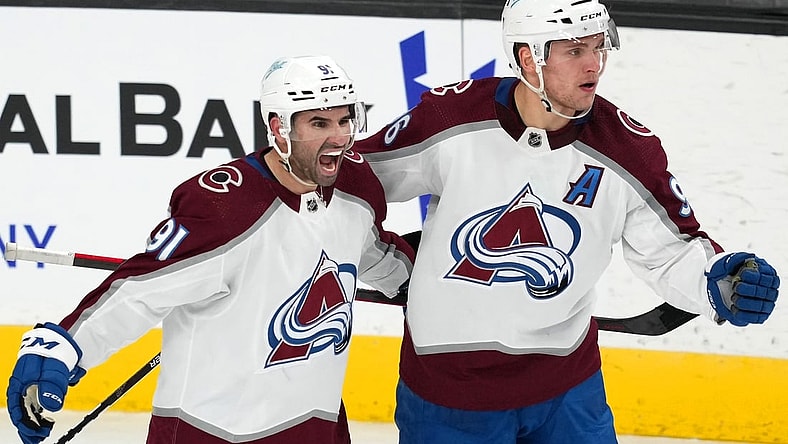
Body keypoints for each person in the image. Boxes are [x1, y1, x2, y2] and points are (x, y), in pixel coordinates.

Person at [353, 0, 781, 443]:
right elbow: (351, 186)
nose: (594, 64)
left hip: (568, 390)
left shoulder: (625, 148)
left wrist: (720, 281)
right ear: (528, 59)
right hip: (449, 391)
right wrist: (382, 265)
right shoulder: (451, 119)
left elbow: (671, 252)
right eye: (575, 51)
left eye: (598, 47)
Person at [6, 55, 415, 444]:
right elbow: (140, 291)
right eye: (319, 122)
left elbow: (371, 249)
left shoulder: (355, 187)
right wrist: (63, 348)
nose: (339, 137)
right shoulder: (224, 207)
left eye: (345, 120)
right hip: (211, 430)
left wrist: (419, 280)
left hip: (314, 426)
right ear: (279, 129)